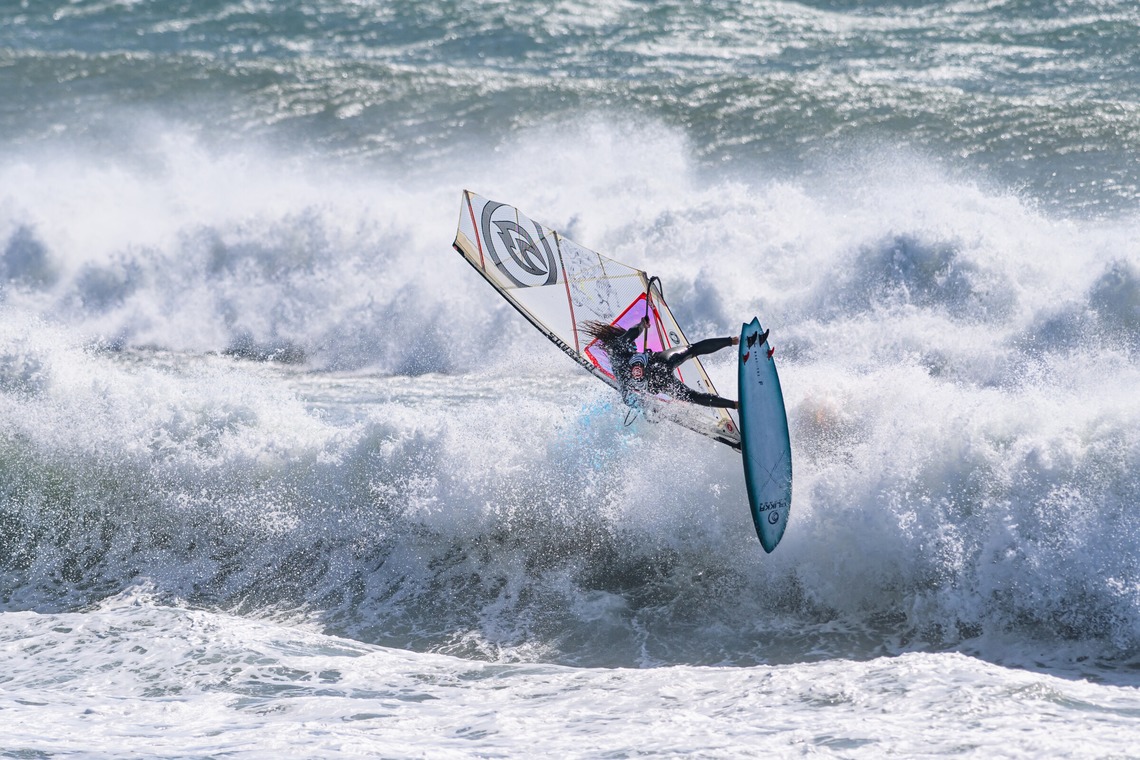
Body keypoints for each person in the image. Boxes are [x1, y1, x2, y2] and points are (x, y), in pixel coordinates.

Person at [582, 317, 763, 410]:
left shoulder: (617, 370)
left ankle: (736, 405)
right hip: (659, 363)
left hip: (658, 384)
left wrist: (649, 408)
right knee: (692, 350)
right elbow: (630, 334)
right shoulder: (617, 345)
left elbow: (627, 399)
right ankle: (735, 340)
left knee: (691, 396)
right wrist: (642, 325)